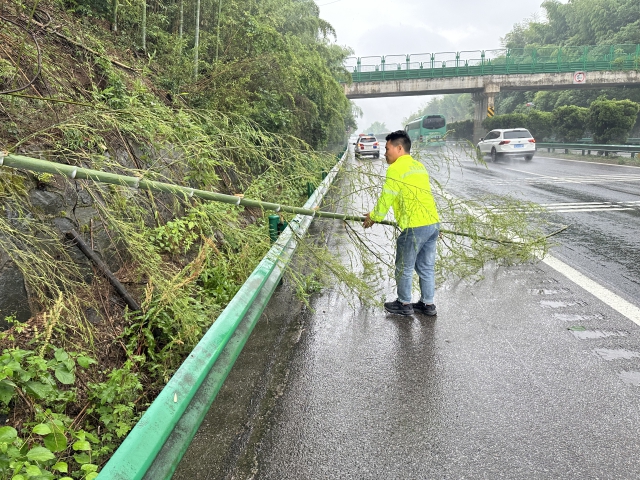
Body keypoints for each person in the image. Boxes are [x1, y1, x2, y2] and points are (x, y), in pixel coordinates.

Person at [363, 130, 440, 316]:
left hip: (414, 226)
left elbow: (386, 198)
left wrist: (373, 217)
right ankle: (428, 305)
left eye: (387, 148)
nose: (385, 152)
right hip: (432, 223)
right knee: (426, 266)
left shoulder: (396, 169)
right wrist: (433, 225)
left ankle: (404, 304)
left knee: (404, 266)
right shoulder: (419, 166)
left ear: (399, 148)